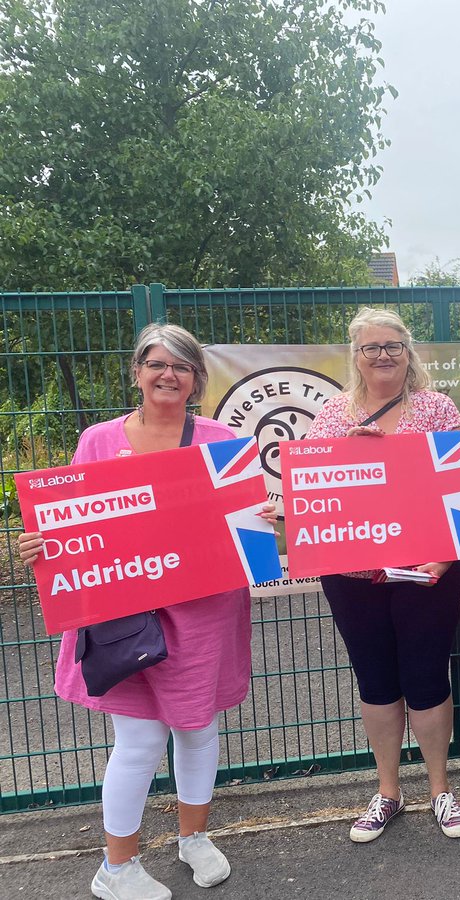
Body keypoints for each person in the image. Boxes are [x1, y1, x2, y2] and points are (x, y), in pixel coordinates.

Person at [18, 323, 276, 900]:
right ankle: (116, 869)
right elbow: (69, 524)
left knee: (197, 729)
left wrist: (265, 519)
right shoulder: (99, 441)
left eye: (181, 366)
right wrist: (40, 544)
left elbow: (244, 522)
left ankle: (193, 837)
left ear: (195, 380)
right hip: (123, 613)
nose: (168, 375)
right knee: (137, 741)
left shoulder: (219, 440)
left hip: (205, 612)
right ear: (136, 372)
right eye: (157, 363)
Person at [305, 307, 460, 843]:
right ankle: (387, 792)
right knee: (375, 680)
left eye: (392, 346)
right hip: (352, 575)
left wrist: (447, 559)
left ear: (408, 352)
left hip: (428, 570)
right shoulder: (333, 415)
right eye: (371, 347)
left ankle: (440, 790)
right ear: (355, 356)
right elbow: (311, 490)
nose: (382, 356)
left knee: (427, 677)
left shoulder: (437, 408)